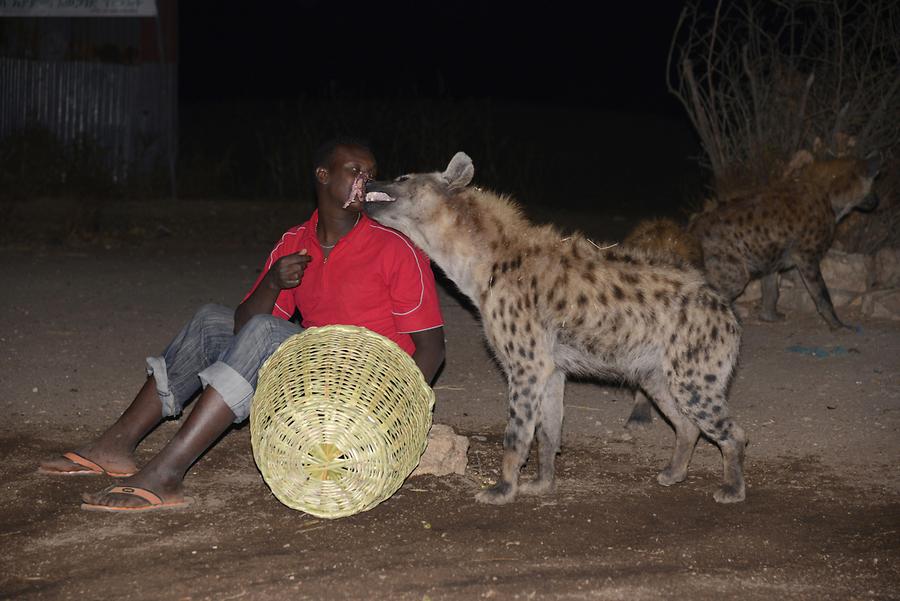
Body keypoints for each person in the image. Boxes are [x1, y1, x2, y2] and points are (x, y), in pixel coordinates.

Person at [38, 138, 446, 512]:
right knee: (211, 319)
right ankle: (117, 444)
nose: (366, 181)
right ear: (322, 176)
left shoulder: (396, 247)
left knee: (267, 333)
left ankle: (168, 471)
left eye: (370, 173)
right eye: (354, 170)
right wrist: (272, 282)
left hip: (369, 380)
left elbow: (432, 348)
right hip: (314, 369)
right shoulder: (294, 242)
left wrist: (394, 410)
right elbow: (240, 327)